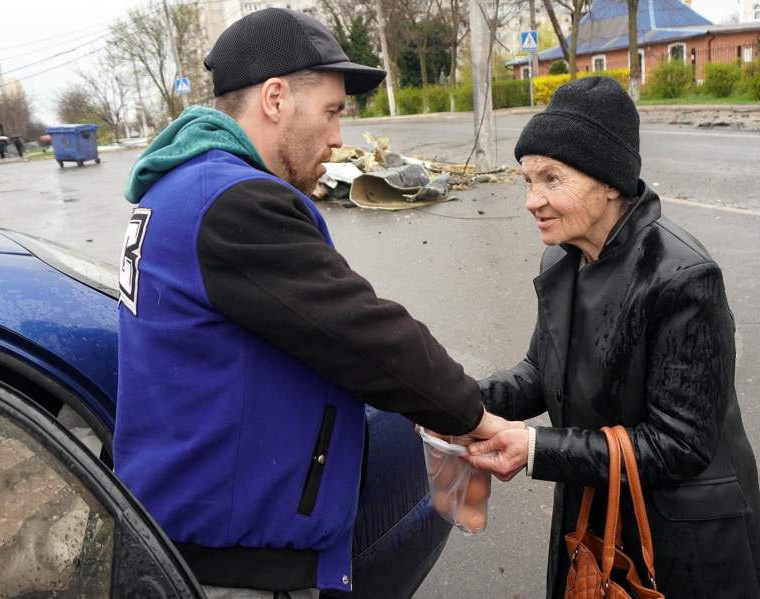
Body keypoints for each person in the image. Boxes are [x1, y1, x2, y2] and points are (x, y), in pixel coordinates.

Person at [113, 8, 512, 599]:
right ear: (275, 98)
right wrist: (474, 418)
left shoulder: (185, 187)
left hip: (203, 532)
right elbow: (361, 333)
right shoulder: (232, 202)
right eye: (331, 112)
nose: (338, 137)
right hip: (237, 566)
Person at [465, 77, 760, 599]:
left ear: (609, 181)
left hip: (681, 539)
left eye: (551, 179)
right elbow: (544, 372)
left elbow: (681, 444)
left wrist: (535, 448)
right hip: (597, 509)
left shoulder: (683, 277)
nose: (532, 200)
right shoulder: (563, 257)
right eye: (527, 180)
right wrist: (458, 401)